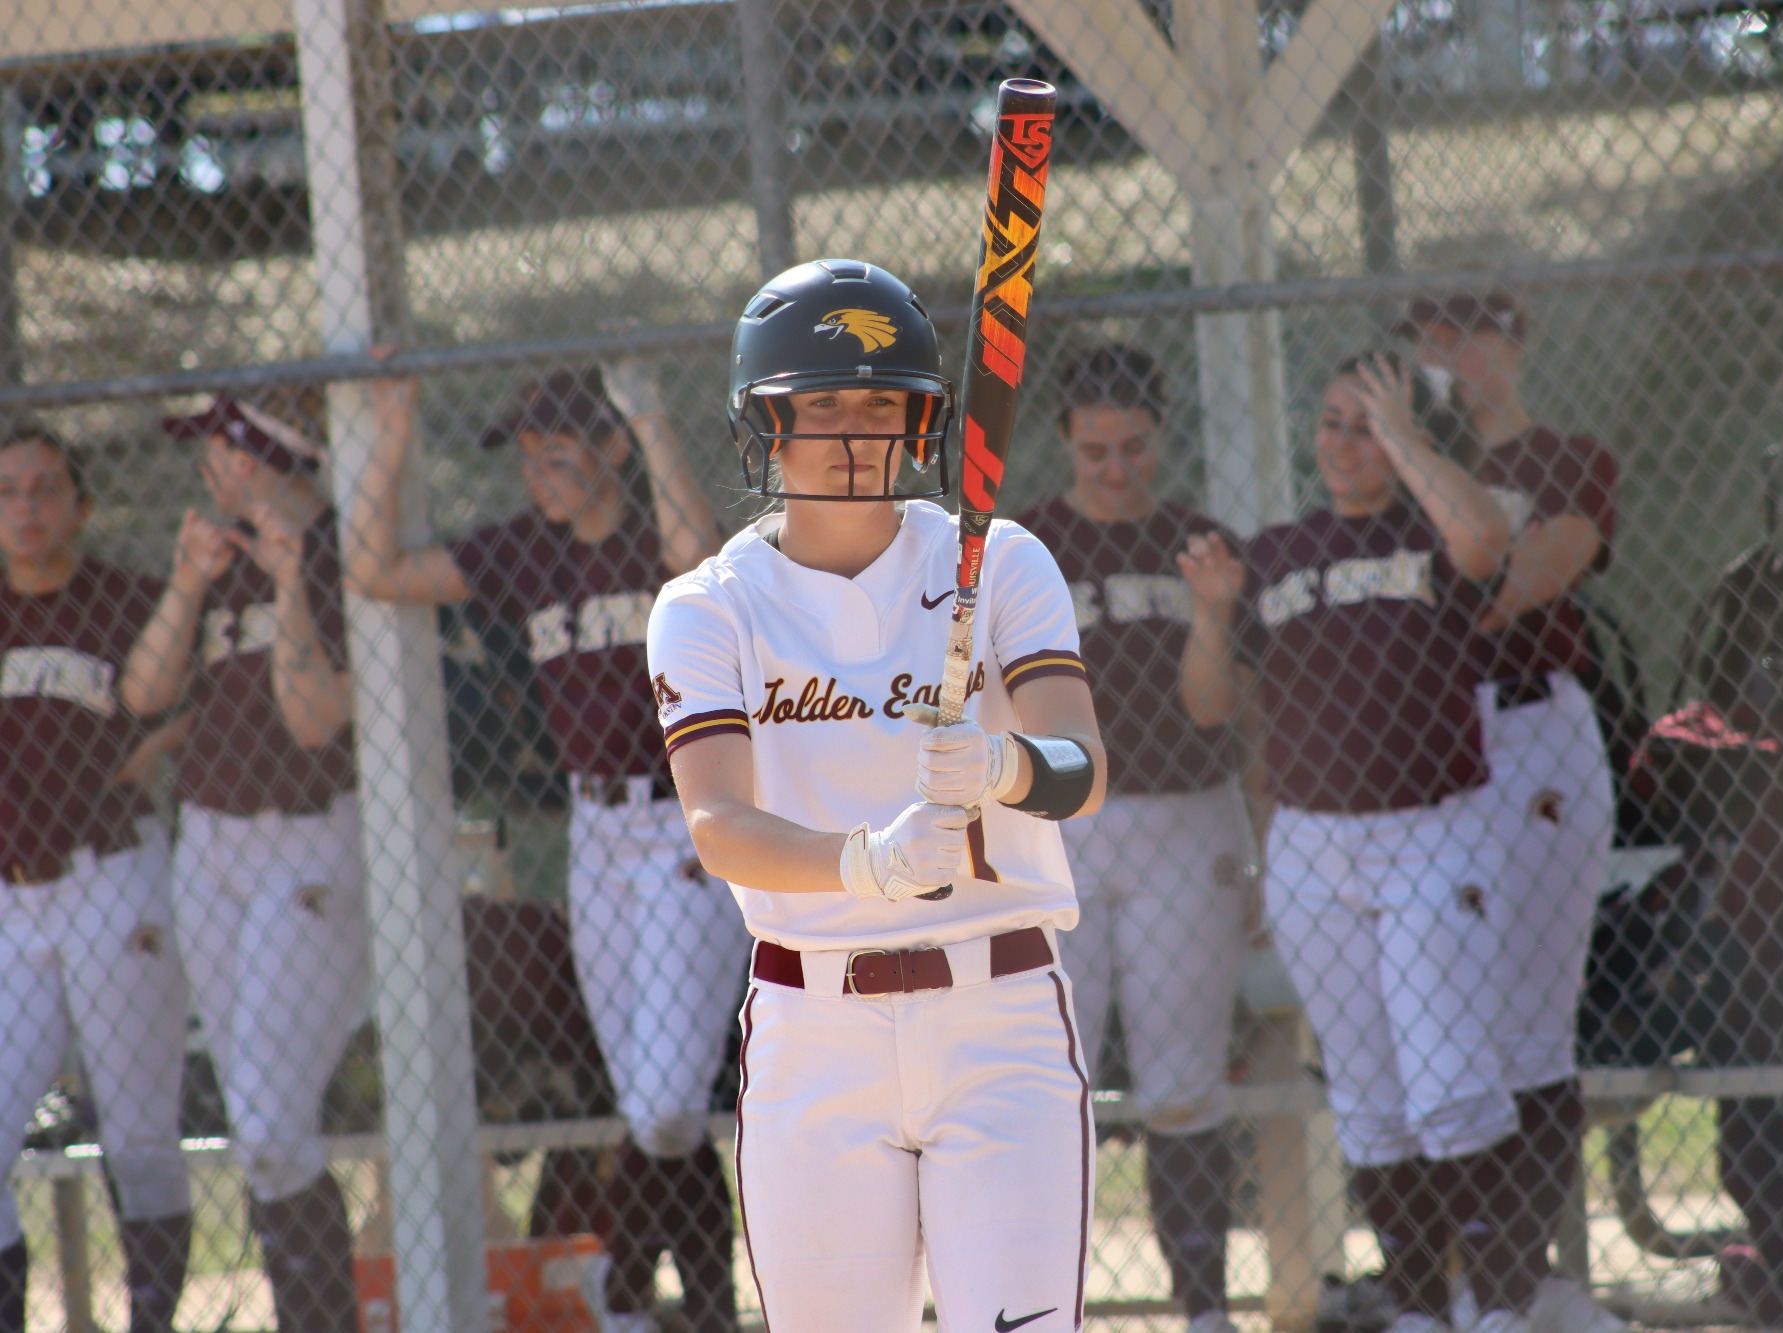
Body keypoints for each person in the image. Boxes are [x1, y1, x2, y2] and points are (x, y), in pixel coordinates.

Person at [647, 257, 1106, 1333]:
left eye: (878, 403)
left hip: (999, 1018)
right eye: (820, 404)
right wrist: (868, 859)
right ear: (766, 422)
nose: (854, 434)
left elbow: (1081, 770)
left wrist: (1006, 767)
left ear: (920, 422)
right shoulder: (708, 606)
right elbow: (717, 825)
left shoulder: (997, 563)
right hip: (814, 1033)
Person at [349, 362, 739, 1333]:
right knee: (653, 1095)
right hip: (594, 832)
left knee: (659, 1103)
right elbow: (373, 570)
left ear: (610, 449)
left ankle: (615, 1285)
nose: (538, 476)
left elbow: (700, 568)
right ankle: (705, 1304)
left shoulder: (660, 529)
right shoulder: (523, 550)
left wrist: (650, 422)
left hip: (689, 817)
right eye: (526, 459)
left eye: (558, 455)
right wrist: (392, 432)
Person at [1180, 352, 1520, 1333]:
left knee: (1450, 1084)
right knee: (1370, 1098)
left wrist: (1406, 435)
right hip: (1311, 847)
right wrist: (1208, 612)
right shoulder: (1277, 553)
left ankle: (1492, 1306)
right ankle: (1419, 1304)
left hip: (1429, 833)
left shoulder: (1434, 526)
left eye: (1364, 425)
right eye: (1331, 421)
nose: (1342, 443)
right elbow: (1208, 705)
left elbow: (1485, 535)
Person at [1398, 291, 1622, 1333]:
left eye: (1475, 331)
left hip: (1529, 733)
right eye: (1432, 336)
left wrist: (1439, 594)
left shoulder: (1568, 457)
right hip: (1413, 750)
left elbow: (1526, 577)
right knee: (1445, 1025)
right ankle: (1471, 1282)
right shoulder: (1397, 468)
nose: (1453, 353)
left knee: (1532, 1023)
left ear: (1516, 341)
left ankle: (1525, 1283)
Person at [1014, 345, 1249, 1333]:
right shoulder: (1021, 546)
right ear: (1064, 437)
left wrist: (1209, 610)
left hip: (1182, 815)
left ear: (1159, 439)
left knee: (1181, 1083)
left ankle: (1201, 1308)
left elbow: (1210, 710)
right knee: (1037, 1077)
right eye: (1096, 448)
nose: (1116, 468)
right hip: (1055, 825)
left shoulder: (1198, 540)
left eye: (1134, 448)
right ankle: (1028, 1304)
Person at [121, 390, 367, 1333]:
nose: (207, 470)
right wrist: (189, 582)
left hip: (305, 837)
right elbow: (143, 693)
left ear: (262, 455)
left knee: (267, 1127)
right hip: (209, 846)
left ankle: (322, 1317)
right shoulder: (217, 558)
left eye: (218, 451)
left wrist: (294, 579)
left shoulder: (342, 549)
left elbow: (313, 721)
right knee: (262, 1121)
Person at [0, 423, 193, 1333]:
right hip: (10, 895)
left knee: (141, 1131)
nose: (26, 508)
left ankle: (151, 1322)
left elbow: (195, 703)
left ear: (81, 504)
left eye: (45, 488)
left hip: (112, 873)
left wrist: (146, 752)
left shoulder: (123, 599)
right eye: (7, 491)